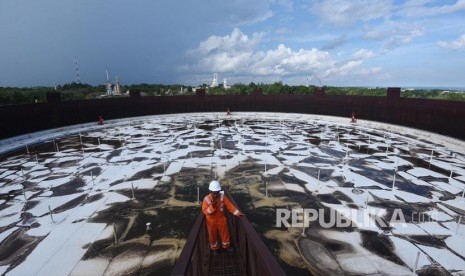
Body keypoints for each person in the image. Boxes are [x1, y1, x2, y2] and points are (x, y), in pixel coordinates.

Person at [202, 180, 242, 255]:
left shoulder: (222, 196)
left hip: (221, 218)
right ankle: (214, 249)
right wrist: (212, 206)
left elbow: (229, 206)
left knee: (225, 233)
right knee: (212, 235)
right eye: (214, 192)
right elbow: (204, 211)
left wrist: (238, 213)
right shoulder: (206, 199)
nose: (216, 194)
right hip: (211, 220)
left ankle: (226, 246)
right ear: (210, 191)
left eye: (217, 192)